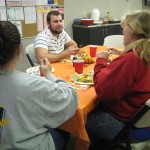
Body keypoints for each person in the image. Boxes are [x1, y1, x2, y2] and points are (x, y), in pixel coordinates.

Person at [0, 21, 78, 150]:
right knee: (63, 132)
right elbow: (71, 98)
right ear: (19, 50)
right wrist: (49, 74)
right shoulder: (33, 86)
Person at [85, 10, 150, 150]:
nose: (122, 30)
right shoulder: (144, 53)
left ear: (133, 30)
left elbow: (105, 94)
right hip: (144, 122)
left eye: (124, 26)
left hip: (128, 127)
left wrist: (101, 60)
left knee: (78, 117)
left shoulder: (132, 59)